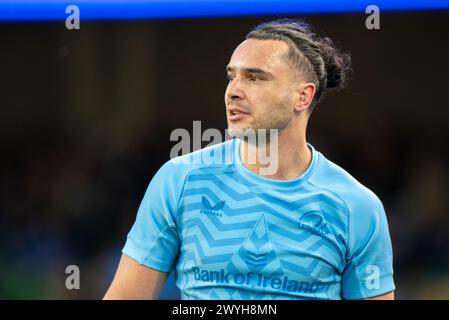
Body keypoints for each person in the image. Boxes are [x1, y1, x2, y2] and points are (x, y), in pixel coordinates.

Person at [104, 19, 395, 300]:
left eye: (254, 78)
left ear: (303, 96)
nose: (233, 92)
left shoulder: (356, 207)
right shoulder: (179, 181)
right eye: (232, 77)